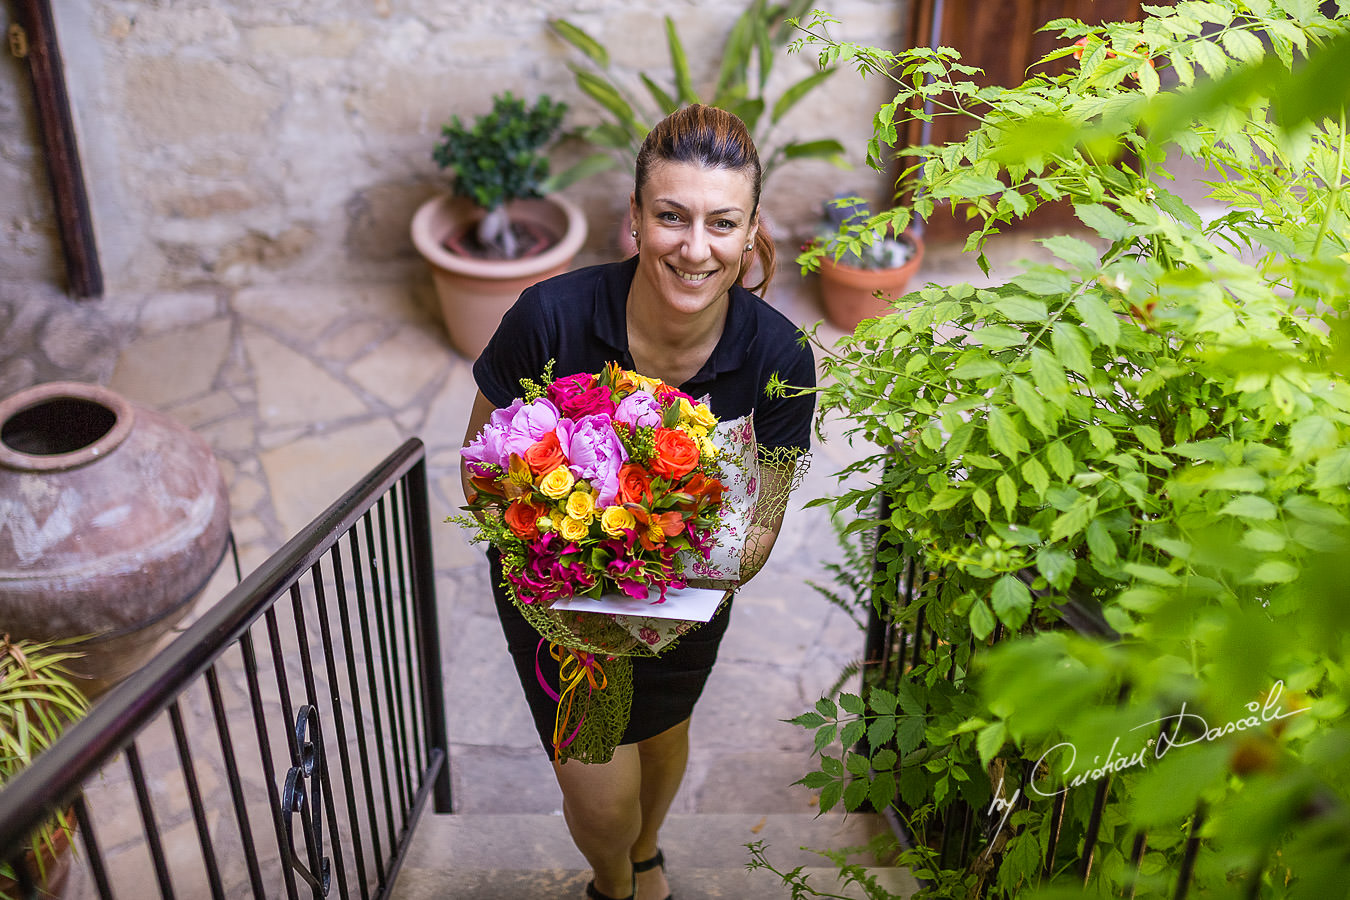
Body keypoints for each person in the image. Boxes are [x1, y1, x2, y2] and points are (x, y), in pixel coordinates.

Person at [460, 103, 816, 900]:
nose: (695, 248)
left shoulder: (780, 354)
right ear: (635, 218)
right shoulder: (548, 317)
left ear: (752, 229)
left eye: (722, 223)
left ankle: (647, 853)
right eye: (670, 217)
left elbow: (763, 519)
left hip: (685, 602)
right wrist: (568, 553)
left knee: (662, 734)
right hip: (559, 601)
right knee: (599, 790)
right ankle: (612, 884)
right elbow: (479, 469)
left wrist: (669, 561)